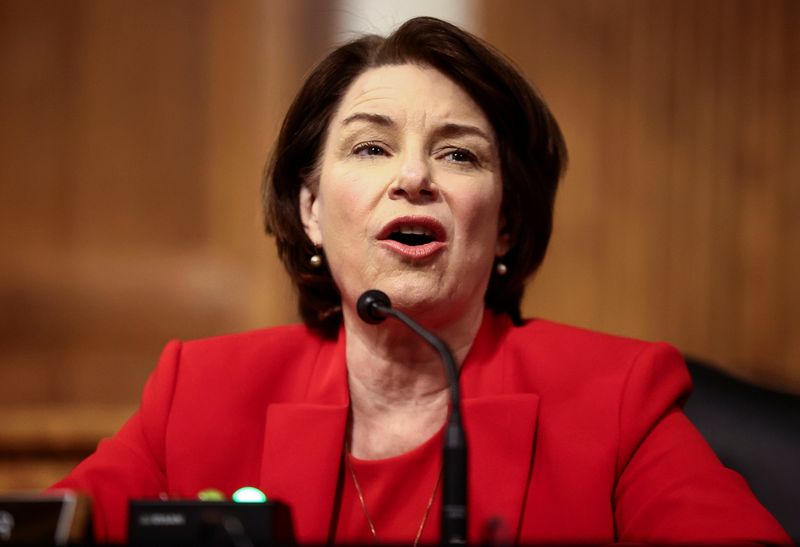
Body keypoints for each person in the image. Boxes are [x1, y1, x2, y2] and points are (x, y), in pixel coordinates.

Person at [53, 17, 790, 545]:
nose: (413, 177)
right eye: (372, 146)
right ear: (310, 210)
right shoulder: (202, 392)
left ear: (503, 223)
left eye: (460, 156)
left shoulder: (616, 399)